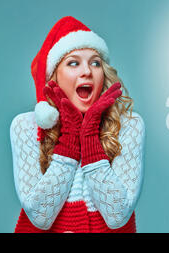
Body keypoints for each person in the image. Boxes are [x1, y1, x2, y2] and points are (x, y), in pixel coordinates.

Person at [10, 16, 145, 233]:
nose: (87, 71)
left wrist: (90, 135)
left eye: (95, 62)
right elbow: (40, 217)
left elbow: (117, 216)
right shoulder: (26, 126)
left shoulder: (129, 125)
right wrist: (70, 136)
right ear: (53, 76)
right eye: (73, 62)